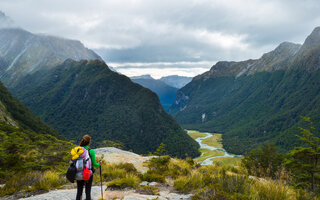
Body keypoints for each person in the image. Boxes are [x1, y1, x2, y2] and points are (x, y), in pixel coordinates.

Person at [76, 134, 101, 200]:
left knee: (79, 192)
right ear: (89, 142)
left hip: (78, 172)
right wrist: (99, 164)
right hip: (88, 173)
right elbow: (94, 164)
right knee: (87, 192)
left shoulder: (78, 150)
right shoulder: (91, 151)